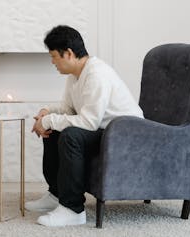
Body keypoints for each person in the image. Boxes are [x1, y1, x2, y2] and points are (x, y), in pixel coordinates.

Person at [27, 25, 143, 227]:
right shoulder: (75, 75)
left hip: (126, 136)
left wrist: (48, 120)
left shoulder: (97, 74)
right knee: (55, 130)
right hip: (104, 131)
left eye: (54, 56)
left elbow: (89, 122)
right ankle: (56, 195)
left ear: (69, 54)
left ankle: (73, 210)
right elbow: (68, 108)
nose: (52, 62)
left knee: (71, 135)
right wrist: (47, 112)